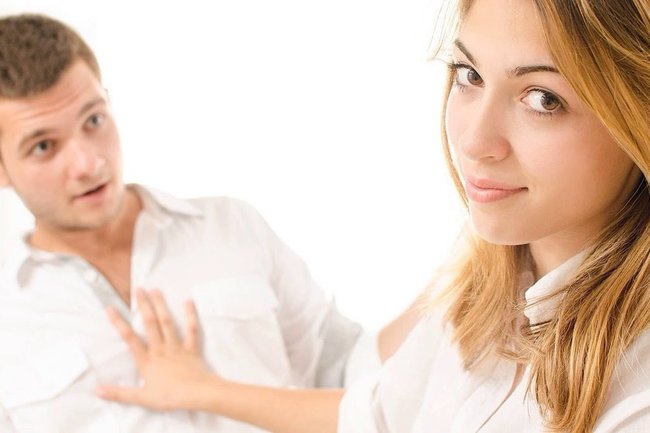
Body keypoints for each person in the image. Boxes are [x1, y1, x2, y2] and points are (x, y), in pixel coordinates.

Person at [95, 0, 650, 432]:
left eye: (543, 99)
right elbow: (376, 415)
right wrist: (199, 389)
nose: (475, 142)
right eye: (469, 75)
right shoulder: (487, 278)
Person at [0, 13, 422, 433]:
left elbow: (349, 374)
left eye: (93, 120)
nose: (89, 162)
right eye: (44, 146)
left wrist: (450, 287)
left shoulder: (230, 227)